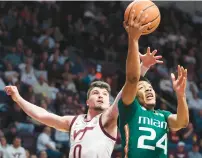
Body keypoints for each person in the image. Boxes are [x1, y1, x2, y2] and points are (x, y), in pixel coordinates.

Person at [4, 11, 161, 158]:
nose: (101, 96)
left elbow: (130, 83)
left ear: (109, 103)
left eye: (105, 95)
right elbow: (42, 115)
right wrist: (18, 98)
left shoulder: (109, 118)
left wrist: (144, 66)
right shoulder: (74, 122)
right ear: (87, 102)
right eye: (96, 93)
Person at [118, 10, 189, 158]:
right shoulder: (130, 108)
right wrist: (134, 39)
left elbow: (182, 122)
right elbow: (132, 79)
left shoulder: (162, 115)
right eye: (143, 88)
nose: (149, 90)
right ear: (134, 95)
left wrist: (181, 96)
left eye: (150, 88)